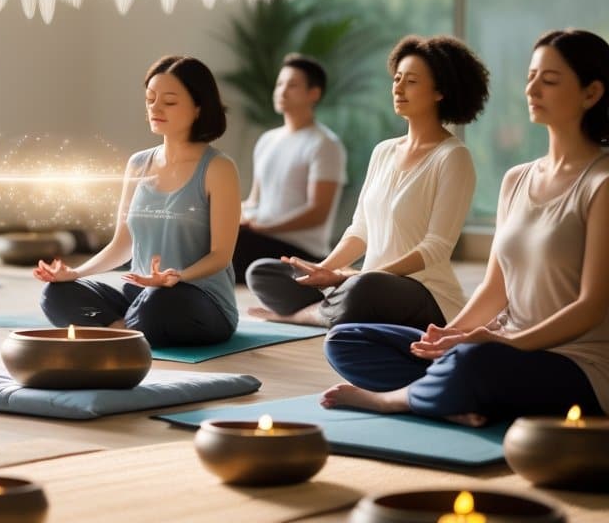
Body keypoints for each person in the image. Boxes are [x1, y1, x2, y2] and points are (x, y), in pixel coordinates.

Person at [323, 29, 609, 424]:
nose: (532, 89)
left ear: (591, 93)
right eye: (530, 77)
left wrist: (500, 342)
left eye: (550, 80)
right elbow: (495, 287)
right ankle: (453, 396)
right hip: (497, 349)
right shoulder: (516, 180)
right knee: (347, 340)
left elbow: (591, 307)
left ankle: (398, 399)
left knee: (476, 361)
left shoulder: (602, 184)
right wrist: (447, 338)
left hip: (573, 363)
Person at [247, 35, 489, 330]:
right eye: (396, 78)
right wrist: (324, 270)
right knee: (263, 273)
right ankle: (335, 303)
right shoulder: (384, 151)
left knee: (363, 291)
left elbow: (435, 248)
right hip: (363, 282)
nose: (398, 88)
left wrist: (353, 277)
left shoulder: (453, 157)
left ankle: (300, 316)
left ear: (440, 91)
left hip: (421, 292)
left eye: (411, 81)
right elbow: (359, 229)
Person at [33, 55, 240, 348]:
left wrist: (175, 277)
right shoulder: (138, 163)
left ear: (198, 107)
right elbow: (122, 244)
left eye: (169, 102)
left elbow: (221, 255)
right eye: (150, 99)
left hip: (194, 300)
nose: (155, 108)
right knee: (57, 293)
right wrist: (75, 273)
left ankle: (120, 331)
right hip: (140, 299)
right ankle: (129, 331)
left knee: (159, 301)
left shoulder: (219, 168)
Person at [234, 53, 347, 282]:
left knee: (233, 243)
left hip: (300, 250)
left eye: (292, 85)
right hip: (259, 238)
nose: (282, 91)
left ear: (313, 93)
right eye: (279, 84)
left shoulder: (325, 144)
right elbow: (255, 201)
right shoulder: (267, 139)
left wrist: (264, 228)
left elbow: (318, 212)